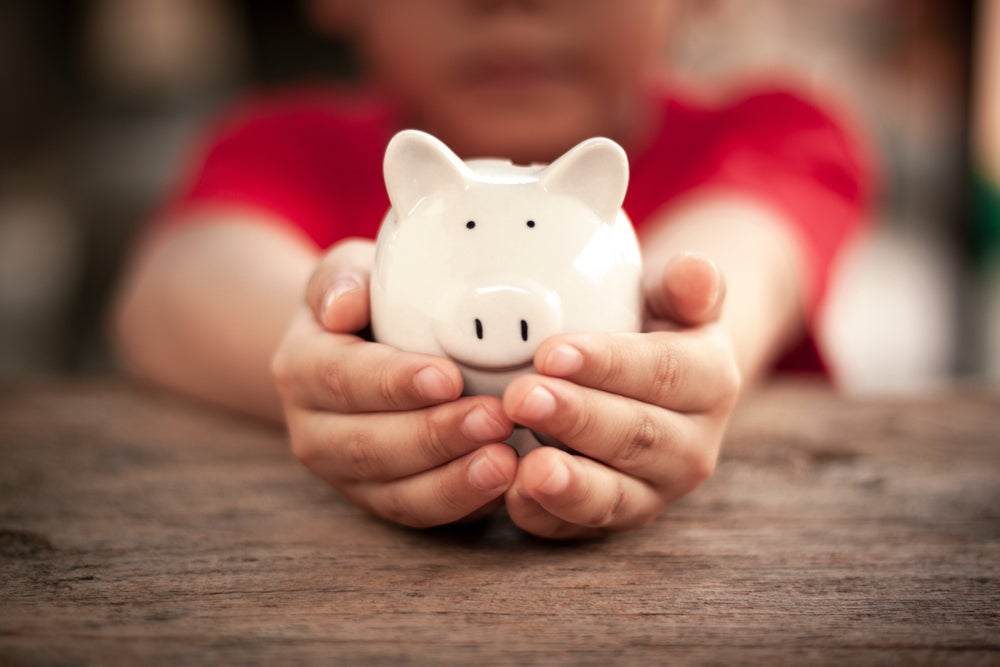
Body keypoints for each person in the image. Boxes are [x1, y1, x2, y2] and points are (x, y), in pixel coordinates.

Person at [113, 0, 872, 539]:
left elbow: (746, 251)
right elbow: (174, 286)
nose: (510, 3)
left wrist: (681, 337)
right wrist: (317, 336)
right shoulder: (278, 147)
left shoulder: (775, 129)